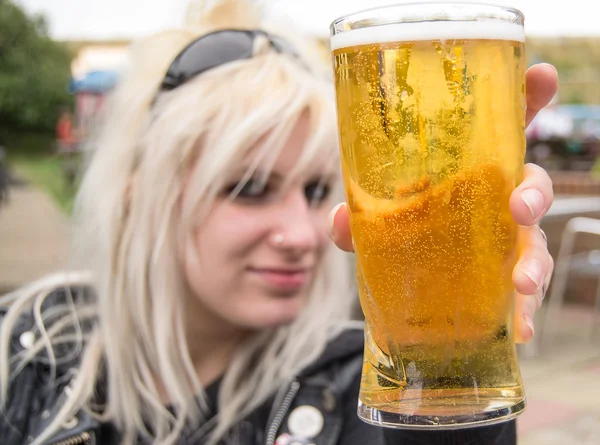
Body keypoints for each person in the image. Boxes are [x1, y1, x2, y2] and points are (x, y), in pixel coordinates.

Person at [0, 1, 558, 444]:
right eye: (249, 189)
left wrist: (450, 375)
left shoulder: (348, 387)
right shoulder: (23, 353)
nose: (301, 233)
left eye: (316, 190)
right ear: (139, 195)